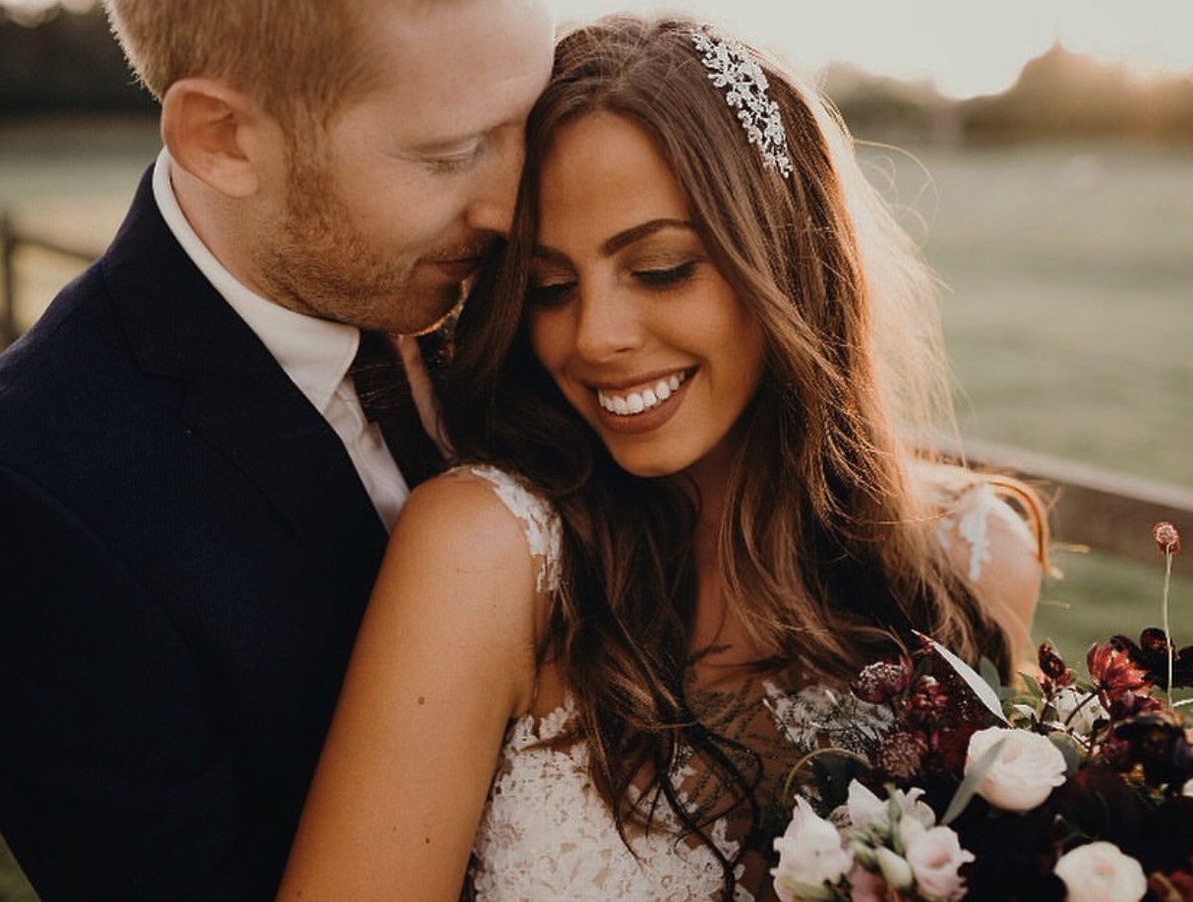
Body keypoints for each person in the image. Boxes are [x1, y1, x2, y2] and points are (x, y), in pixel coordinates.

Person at [276, 14, 1047, 901]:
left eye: (662, 268)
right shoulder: (487, 555)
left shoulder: (971, 561)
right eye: (550, 288)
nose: (594, 339)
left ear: (789, 260)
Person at [0, 0, 554, 898]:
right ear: (223, 138)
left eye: (533, 117)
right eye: (447, 155)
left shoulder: (558, 291)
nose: (512, 206)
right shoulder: (36, 500)